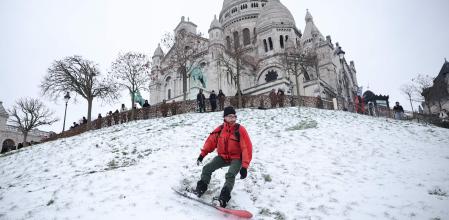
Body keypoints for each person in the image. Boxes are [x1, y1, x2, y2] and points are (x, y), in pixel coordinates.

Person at [194, 106, 253, 208]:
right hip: (223, 157)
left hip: (236, 158)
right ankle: (200, 189)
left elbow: (246, 148)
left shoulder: (240, 130)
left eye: (234, 117)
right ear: (225, 117)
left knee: (230, 174)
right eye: (230, 117)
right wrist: (202, 155)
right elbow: (210, 143)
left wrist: (244, 166)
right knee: (207, 168)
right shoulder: (220, 130)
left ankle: (223, 198)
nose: (233, 119)